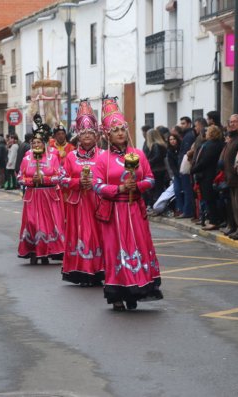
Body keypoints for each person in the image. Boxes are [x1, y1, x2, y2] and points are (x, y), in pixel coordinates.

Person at [93, 96, 163, 311]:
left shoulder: (138, 154)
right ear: (108, 134)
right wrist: (119, 189)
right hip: (114, 211)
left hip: (135, 209)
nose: (120, 133)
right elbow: (96, 185)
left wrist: (138, 186)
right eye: (115, 130)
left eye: (123, 128)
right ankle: (117, 293)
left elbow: (151, 179)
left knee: (139, 248)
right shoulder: (102, 159)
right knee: (116, 250)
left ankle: (137, 289)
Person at [60, 100, 104, 286]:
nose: (87, 136)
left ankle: (99, 269)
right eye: (83, 132)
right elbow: (61, 179)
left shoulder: (104, 155)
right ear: (78, 135)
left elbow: (111, 178)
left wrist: (95, 183)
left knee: (99, 236)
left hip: (99, 203)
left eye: (90, 133)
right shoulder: (70, 157)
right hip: (78, 205)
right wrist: (78, 182)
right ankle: (83, 270)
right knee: (82, 235)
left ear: (96, 136)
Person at [17, 123, 65, 265]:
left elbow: (60, 176)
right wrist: (31, 181)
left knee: (48, 225)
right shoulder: (27, 159)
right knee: (32, 224)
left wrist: (45, 179)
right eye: (34, 142)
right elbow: (20, 178)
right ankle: (33, 250)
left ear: (44, 144)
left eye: (39, 142)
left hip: (49, 195)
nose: (36, 145)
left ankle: (46, 252)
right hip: (33, 196)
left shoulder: (53, 158)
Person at [191, 125, 225, 230]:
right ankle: (215, 219)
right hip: (212, 174)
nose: (205, 134)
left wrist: (193, 169)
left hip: (208, 175)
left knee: (210, 199)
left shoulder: (211, 145)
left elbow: (205, 161)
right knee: (213, 199)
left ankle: (213, 221)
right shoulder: (219, 144)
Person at [143, 128, 168, 207]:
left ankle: (156, 205)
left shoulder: (155, 145)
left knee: (155, 189)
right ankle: (157, 205)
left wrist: (148, 163)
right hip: (161, 169)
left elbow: (156, 157)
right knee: (159, 188)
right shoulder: (162, 144)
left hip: (156, 170)